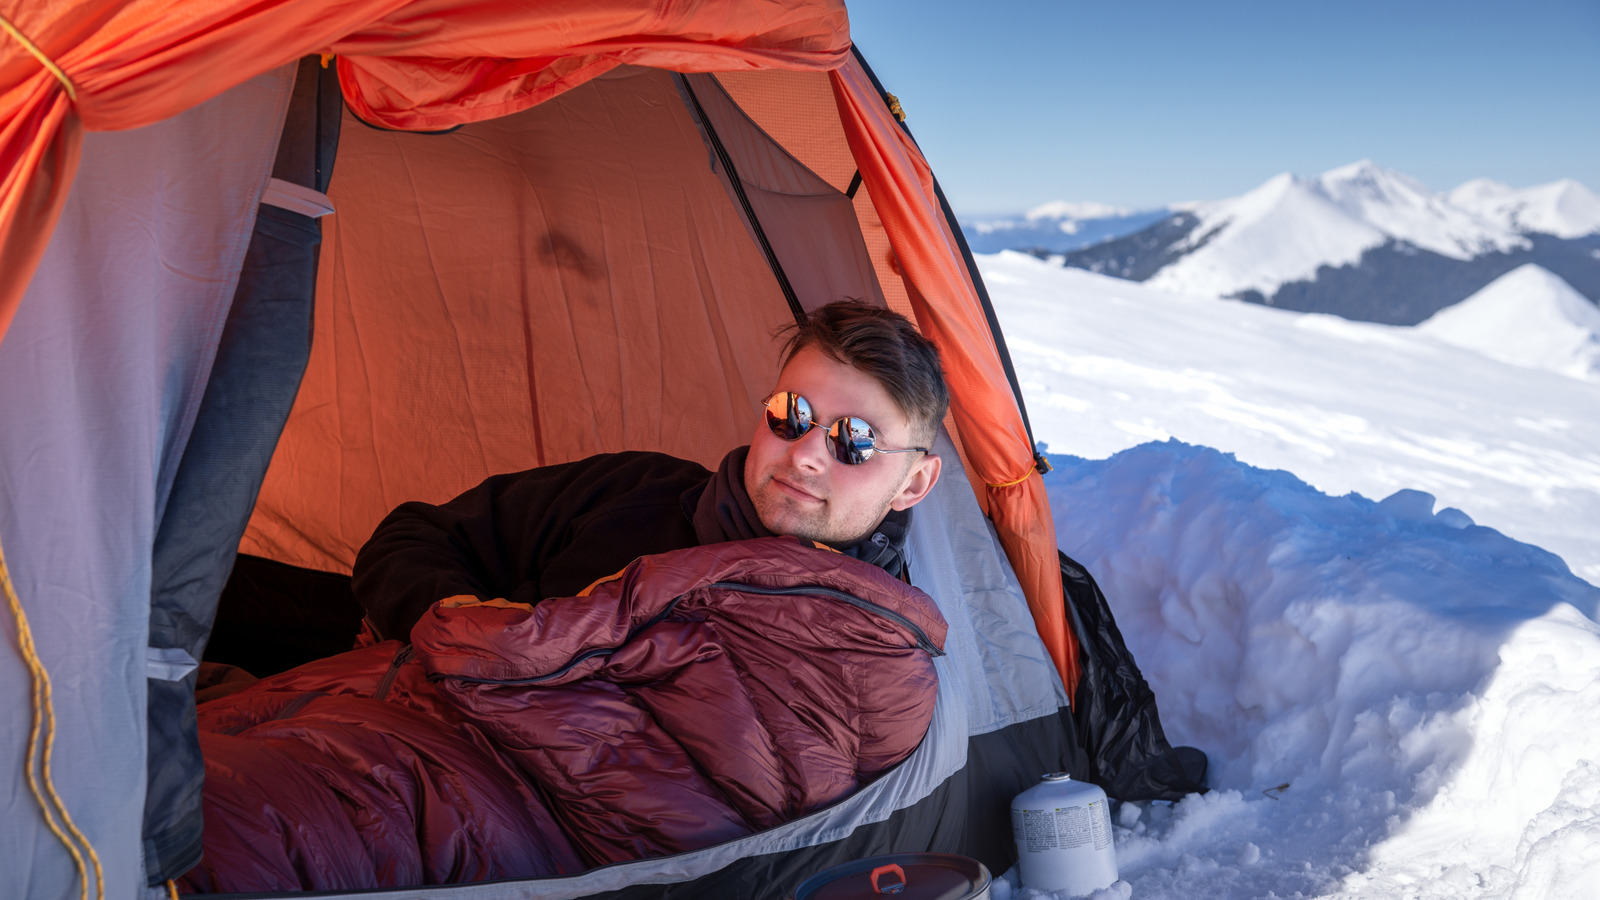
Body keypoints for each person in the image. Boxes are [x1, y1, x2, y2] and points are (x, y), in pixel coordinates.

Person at [353, 300, 948, 641]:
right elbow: (413, 535)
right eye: (791, 413)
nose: (805, 453)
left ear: (914, 483)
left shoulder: (879, 640)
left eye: (855, 440)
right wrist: (468, 628)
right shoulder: (635, 491)